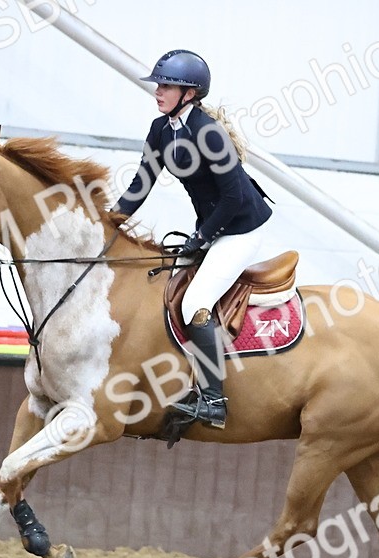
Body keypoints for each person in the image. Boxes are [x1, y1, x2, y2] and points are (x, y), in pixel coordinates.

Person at [114, 49, 273, 430]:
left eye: (166, 85)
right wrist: (109, 224)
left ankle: (215, 401)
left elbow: (234, 197)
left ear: (189, 93)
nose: (158, 91)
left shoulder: (208, 132)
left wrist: (202, 237)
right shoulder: (160, 129)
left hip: (241, 228)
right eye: (158, 85)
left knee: (195, 304)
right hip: (213, 227)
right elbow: (141, 185)